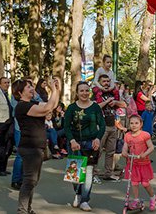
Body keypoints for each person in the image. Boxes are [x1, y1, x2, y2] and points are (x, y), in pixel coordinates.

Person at [13, 77, 61, 214]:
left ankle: (27, 208)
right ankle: (22, 210)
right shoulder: (22, 106)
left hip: (37, 148)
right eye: (28, 87)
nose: (32, 88)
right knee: (29, 181)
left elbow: (52, 105)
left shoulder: (32, 103)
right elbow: (47, 108)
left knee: (33, 181)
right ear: (20, 92)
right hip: (29, 147)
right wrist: (52, 89)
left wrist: (56, 89)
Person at [63, 81, 107, 212]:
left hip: (90, 143)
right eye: (81, 91)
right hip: (75, 143)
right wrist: (71, 140)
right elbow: (66, 126)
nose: (84, 93)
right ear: (77, 93)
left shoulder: (95, 107)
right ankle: (78, 194)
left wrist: (98, 139)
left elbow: (102, 125)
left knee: (88, 172)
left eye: (87, 90)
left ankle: (85, 200)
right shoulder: (71, 108)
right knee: (75, 173)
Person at [122, 114, 156, 211]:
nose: (134, 125)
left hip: (143, 163)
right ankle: (136, 199)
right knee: (134, 183)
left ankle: (153, 197)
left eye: (136, 123)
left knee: (145, 183)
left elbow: (151, 147)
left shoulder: (145, 135)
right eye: (131, 123)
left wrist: (144, 154)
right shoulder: (127, 135)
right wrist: (124, 152)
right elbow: (125, 146)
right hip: (133, 163)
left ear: (141, 124)